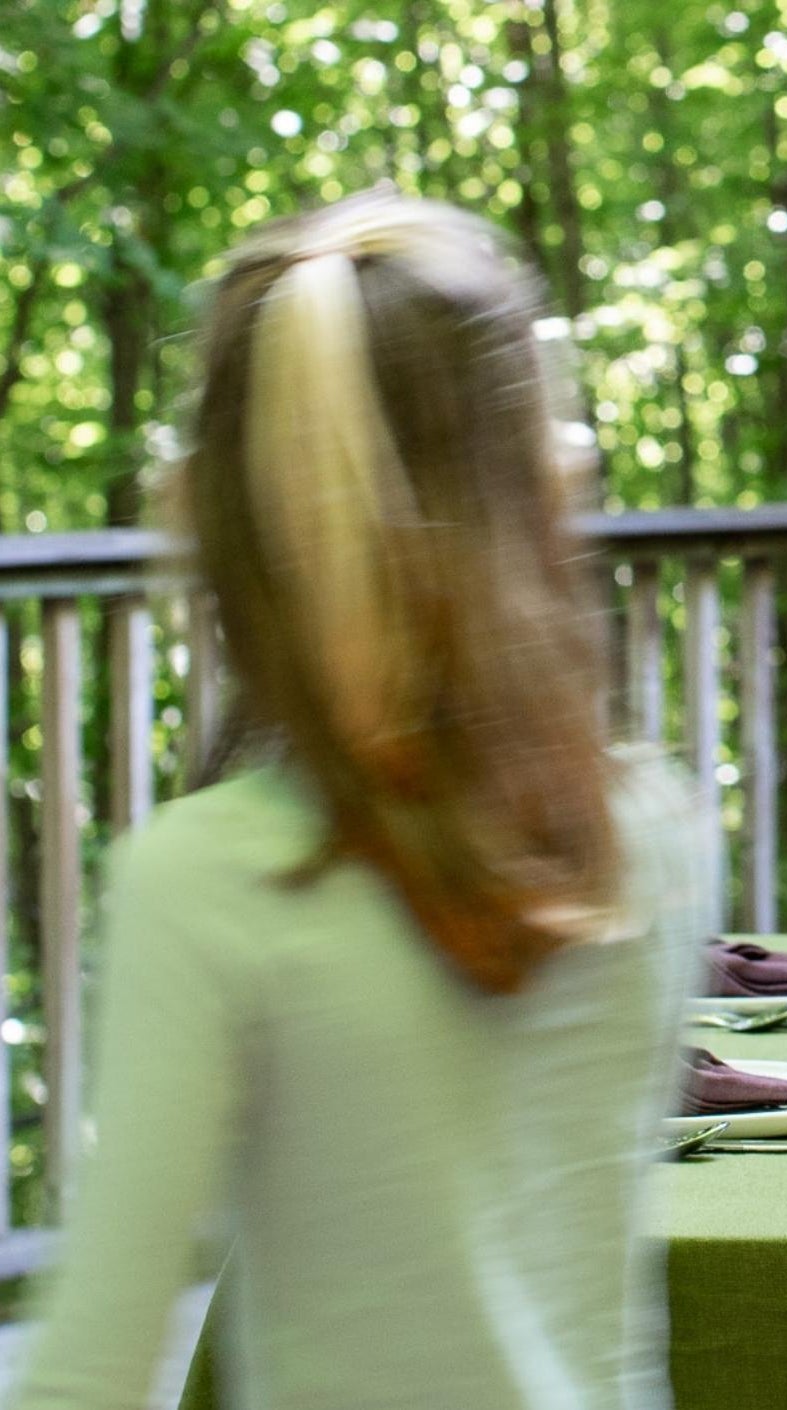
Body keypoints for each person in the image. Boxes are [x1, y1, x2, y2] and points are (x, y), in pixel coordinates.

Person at [11, 193, 708, 1407]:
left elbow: (94, 1374)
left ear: (221, 531)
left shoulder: (213, 879)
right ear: (545, 492)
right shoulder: (647, 829)